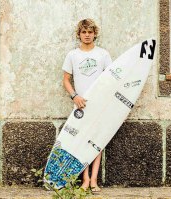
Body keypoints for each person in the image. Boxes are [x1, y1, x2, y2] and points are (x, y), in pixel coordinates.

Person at [62, 18, 112, 192]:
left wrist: (103, 98)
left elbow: (110, 80)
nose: (87, 35)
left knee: (96, 141)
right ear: (79, 34)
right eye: (84, 32)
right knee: (82, 141)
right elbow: (66, 80)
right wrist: (75, 96)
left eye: (90, 32)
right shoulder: (73, 55)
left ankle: (94, 180)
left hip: (98, 105)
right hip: (80, 105)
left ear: (95, 34)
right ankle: (84, 179)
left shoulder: (103, 54)